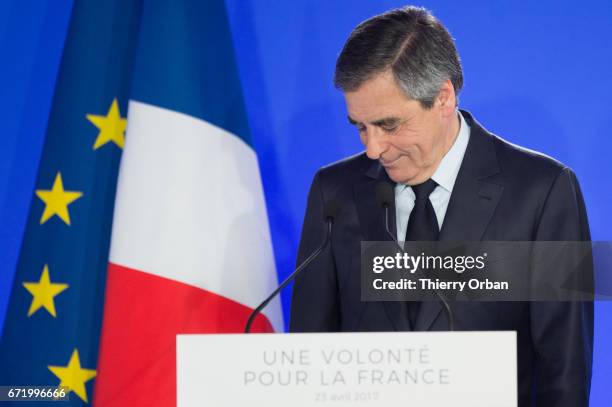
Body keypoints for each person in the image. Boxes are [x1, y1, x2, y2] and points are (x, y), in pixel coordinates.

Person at [289, 6, 593, 407]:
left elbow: (563, 371)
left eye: (389, 125)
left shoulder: (542, 191)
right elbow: (309, 357)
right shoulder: (335, 192)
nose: (373, 148)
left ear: (443, 98)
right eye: (360, 126)